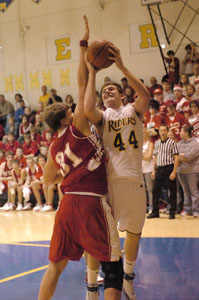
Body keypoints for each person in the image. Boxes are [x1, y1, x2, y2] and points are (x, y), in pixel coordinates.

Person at [38, 16, 123, 300]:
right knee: (113, 267)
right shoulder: (79, 128)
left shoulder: (53, 146)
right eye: (70, 110)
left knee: (55, 267)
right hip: (90, 202)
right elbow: (82, 81)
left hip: (67, 205)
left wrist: (72, 173)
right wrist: (84, 48)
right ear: (66, 117)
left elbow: (48, 179)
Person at [84, 43, 150, 299]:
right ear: (103, 99)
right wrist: (92, 73)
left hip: (133, 181)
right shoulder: (102, 117)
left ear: (122, 94)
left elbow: (143, 93)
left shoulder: (134, 110)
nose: (108, 90)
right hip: (107, 185)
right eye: (104, 91)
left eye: (112, 88)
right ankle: (91, 286)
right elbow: (88, 109)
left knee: (134, 233)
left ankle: (128, 279)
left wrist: (121, 64)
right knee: (96, 238)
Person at [147, 124, 179, 219]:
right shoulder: (156, 143)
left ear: (167, 131)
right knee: (155, 190)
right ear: (159, 132)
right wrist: (154, 170)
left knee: (172, 190)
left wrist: (174, 171)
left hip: (169, 167)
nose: (162, 132)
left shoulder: (172, 143)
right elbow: (155, 157)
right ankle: (155, 211)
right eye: (161, 130)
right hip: (160, 169)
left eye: (164, 130)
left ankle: (172, 212)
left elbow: (176, 157)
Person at [177, 125, 199, 218]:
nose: (180, 133)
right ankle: (187, 209)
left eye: (181, 131)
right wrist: (182, 156)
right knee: (186, 192)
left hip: (192, 171)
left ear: (186, 133)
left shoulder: (195, 143)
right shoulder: (179, 143)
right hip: (181, 171)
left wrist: (181, 156)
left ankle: (196, 211)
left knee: (193, 191)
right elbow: (175, 155)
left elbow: (189, 157)